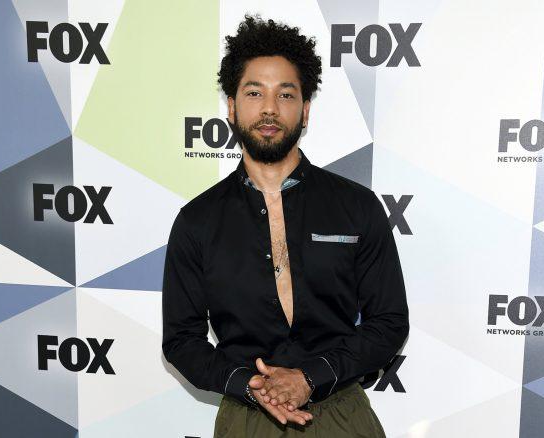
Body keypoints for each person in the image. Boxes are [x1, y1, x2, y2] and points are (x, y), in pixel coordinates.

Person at [162, 14, 409, 437]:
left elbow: (388, 322)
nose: (270, 108)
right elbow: (181, 340)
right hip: (246, 418)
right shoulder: (197, 221)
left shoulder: (357, 206)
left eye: (286, 94)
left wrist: (311, 376)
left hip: (340, 414)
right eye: (254, 92)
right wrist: (248, 384)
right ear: (233, 106)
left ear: (305, 109)